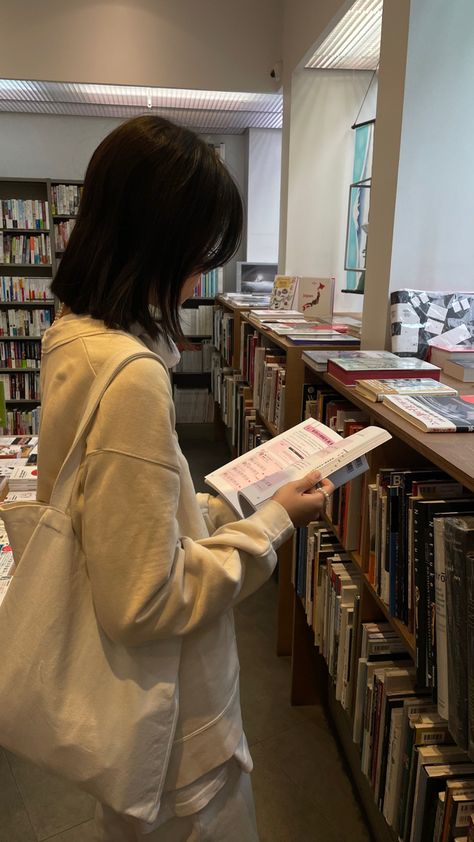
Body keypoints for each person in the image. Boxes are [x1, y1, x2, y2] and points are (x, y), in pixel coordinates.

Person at [40, 115, 334, 842]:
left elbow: (121, 522)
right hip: (178, 734)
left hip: (133, 719)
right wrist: (273, 522)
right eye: (200, 252)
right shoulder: (133, 375)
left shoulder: (71, 337)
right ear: (158, 241)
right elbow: (145, 600)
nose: (203, 274)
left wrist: (213, 500)